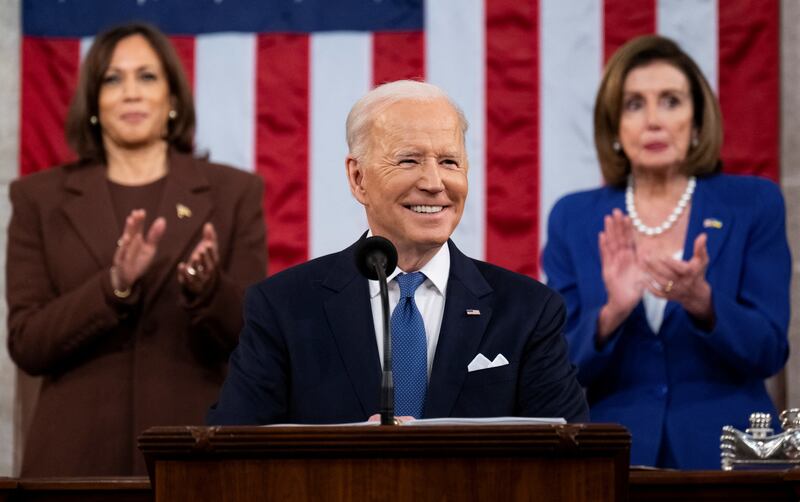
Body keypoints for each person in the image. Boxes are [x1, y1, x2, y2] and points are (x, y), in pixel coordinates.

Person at [207, 80, 588, 425]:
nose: (435, 183)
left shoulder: (528, 310)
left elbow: (573, 458)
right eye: (409, 160)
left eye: (449, 162)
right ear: (358, 178)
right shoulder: (283, 307)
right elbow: (230, 449)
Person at [6, 22, 267, 476]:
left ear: (171, 97)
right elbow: (27, 344)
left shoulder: (233, 193)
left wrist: (208, 289)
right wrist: (113, 287)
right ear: (93, 102)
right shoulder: (39, 199)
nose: (131, 92)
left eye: (147, 77)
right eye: (113, 78)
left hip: (195, 458)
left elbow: (256, 339)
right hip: (74, 462)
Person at [542, 35, 790, 469]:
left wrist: (704, 303)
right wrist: (611, 314)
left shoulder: (753, 203)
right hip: (612, 458)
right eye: (635, 104)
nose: (653, 120)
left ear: (697, 122)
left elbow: (769, 351)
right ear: (615, 126)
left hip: (731, 458)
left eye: (670, 101)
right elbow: (556, 367)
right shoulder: (574, 218)